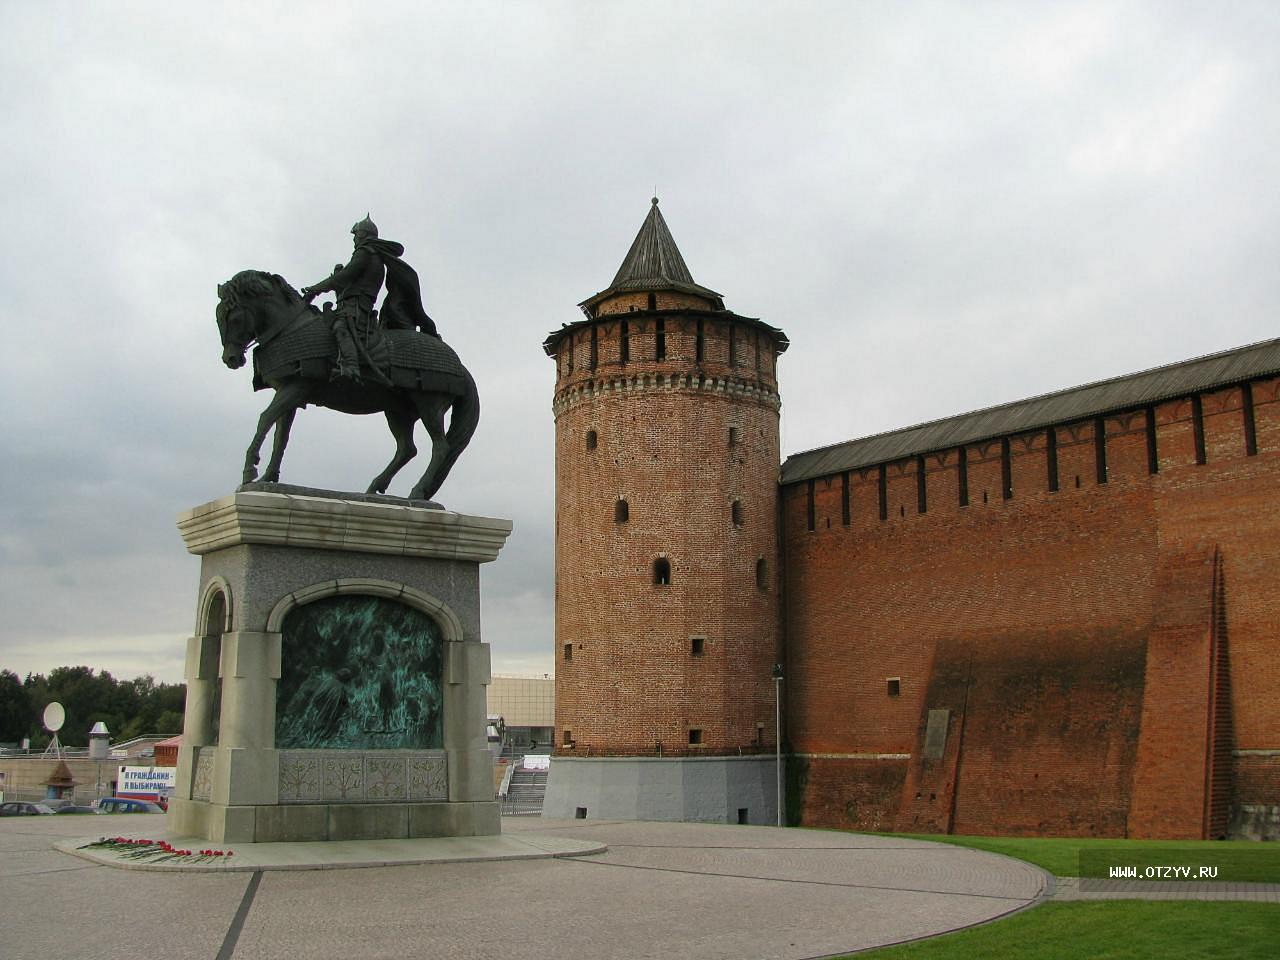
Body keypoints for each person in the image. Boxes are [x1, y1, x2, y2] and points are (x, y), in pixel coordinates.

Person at [301, 215, 436, 383]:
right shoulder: (371, 253)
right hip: (350, 304)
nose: (354, 240)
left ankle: (350, 367)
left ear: (363, 235)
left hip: (356, 307)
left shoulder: (365, 252)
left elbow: (346, 276)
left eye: (356, 236)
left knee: (340, 327)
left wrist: (316, 289)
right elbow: (347, 280)